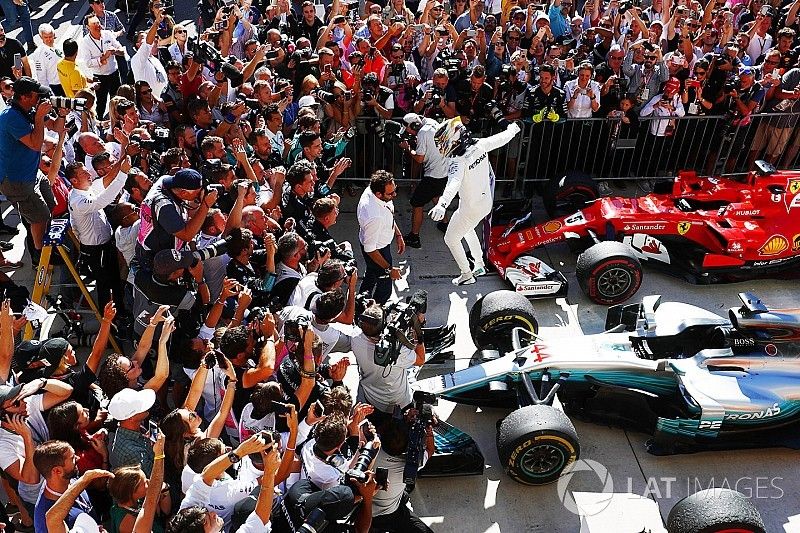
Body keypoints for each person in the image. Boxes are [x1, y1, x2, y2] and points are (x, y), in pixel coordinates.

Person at [429, 116, 520, 285]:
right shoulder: (480, 144)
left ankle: (466, 274)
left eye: (443, 142)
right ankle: (479, 264)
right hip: (485, 203)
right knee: (468, 229)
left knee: (450, 238)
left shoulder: (458, 161)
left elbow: (453, 183)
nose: (442, 147)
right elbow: (504, 137)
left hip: (470, 208)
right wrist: (512, 128)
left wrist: (442, 204)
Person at [0, 77, 58, 253]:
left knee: (51, 205)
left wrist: (60, 113)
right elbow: (35, 143)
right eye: (36, 95)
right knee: (40, 217)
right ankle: (41, 255)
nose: (40, 98)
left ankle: (45, 246)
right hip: (16, 180)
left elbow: (56, 126)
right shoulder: (11, 117)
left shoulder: (27, 110)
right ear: (24, 97)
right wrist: (39, 117)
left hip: (32, 173)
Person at [400, 113, 448, 248]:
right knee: (435, 195)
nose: (411, 133)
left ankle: (414, 237)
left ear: (415, 125)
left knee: (416, 202)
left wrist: (408, 148)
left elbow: (419, 159)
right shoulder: (431, 122)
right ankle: (445, 224)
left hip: (434, 174)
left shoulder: (422, 133)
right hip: (443, 171)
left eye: (410, 130)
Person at [357, 170, 405, 304]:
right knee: (384, 290)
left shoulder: (373, 190)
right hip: (378, 251)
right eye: (390, 193)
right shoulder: (374, 216)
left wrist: (398, 234)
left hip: (378, 243)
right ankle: (374, 316)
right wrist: (389, 269)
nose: (394, 195)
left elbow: (388, 214)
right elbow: (370, 250)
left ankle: (360, 303)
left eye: (395, 190)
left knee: (371, 275)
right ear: (379, 194)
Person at [33, 440, 99, 533]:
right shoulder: (44, 520)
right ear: (57, 471)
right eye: (72, 458)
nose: (78, 458)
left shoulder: (72, 480)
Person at [78, 16, 124, 120]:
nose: (98, 26)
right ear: (88, 27)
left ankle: (118, 119)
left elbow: (121, 49)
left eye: (98, 23)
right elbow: (88, 63)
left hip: (114, 73)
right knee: (101, 102)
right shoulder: (85, 42)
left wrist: (114, 51)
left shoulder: (107, 34)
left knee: (117, 99)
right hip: (100, 76)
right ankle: (99, 121)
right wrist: (102, 58)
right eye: (94, 24)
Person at [28, 24, 63, 96]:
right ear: (41, 37)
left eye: (50, 36)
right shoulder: (39, 53)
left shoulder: (58, 47)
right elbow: (41, 76)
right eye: (46, 37)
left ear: (54, 35)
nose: (49, 40)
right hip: (54, 86)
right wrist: (48, 92)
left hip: (65, 81)